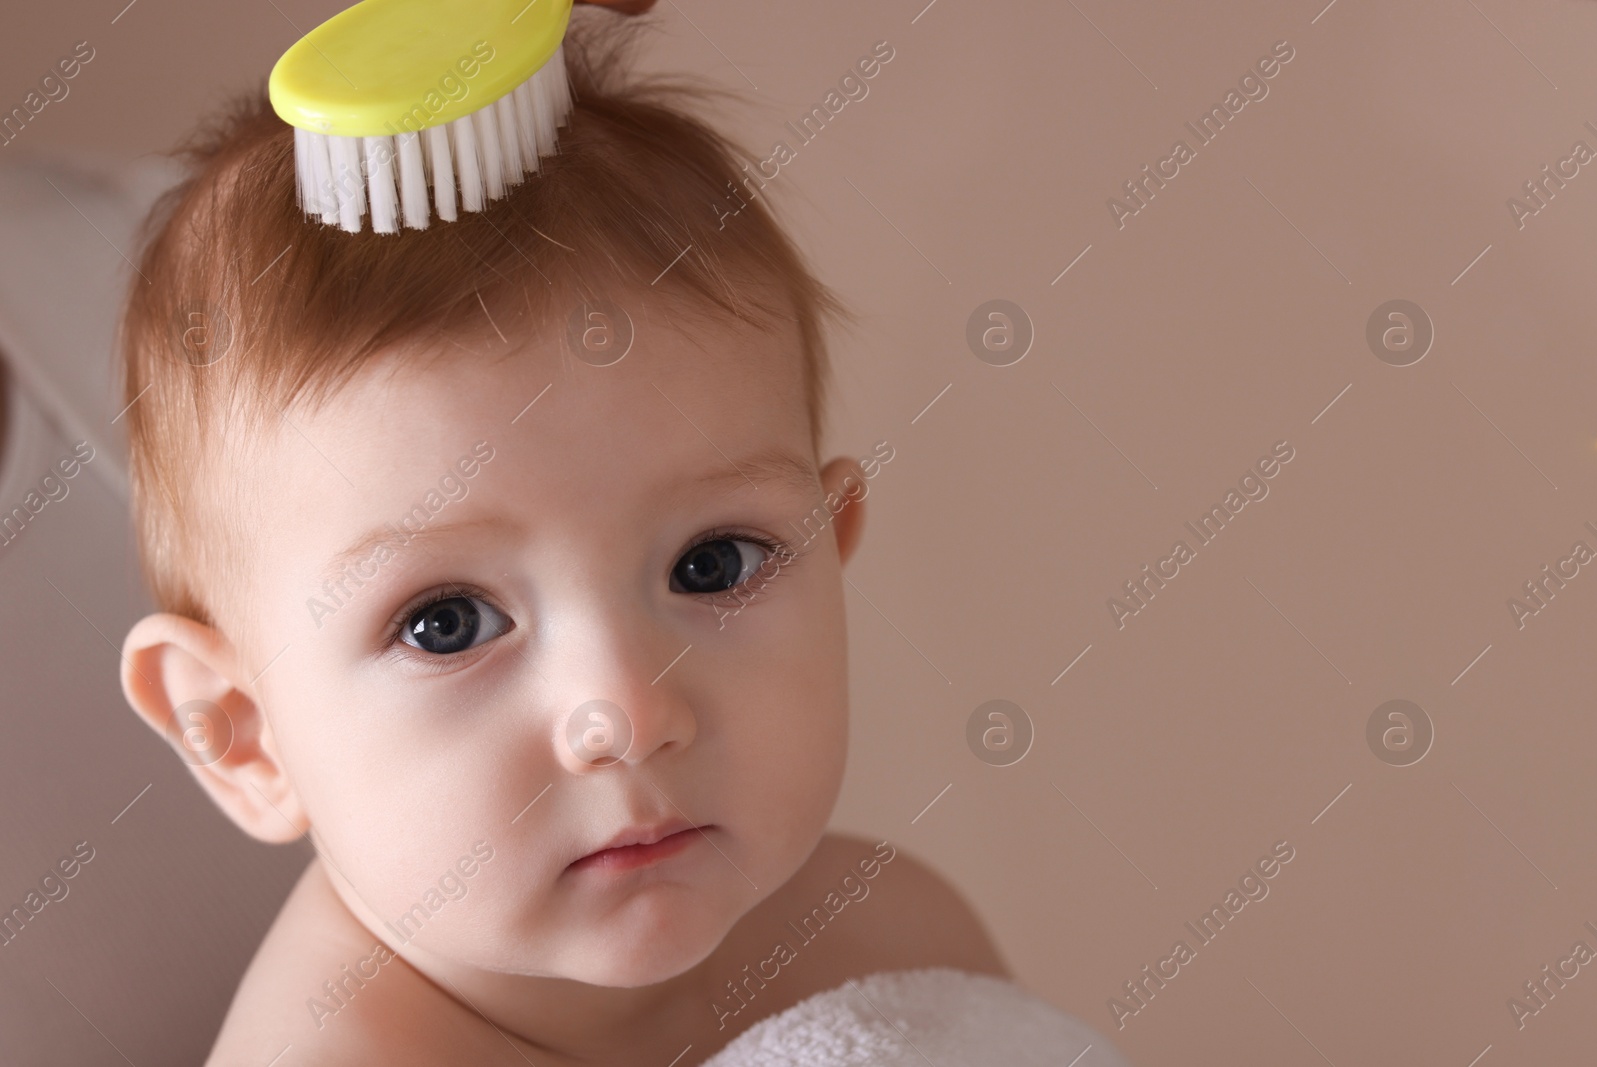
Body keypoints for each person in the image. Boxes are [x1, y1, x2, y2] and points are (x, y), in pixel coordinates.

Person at [113, 9, 1120, 1065]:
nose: (627, 713)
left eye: (711, 563)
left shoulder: (896, 950)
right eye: (447, 622)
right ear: (240, 729)